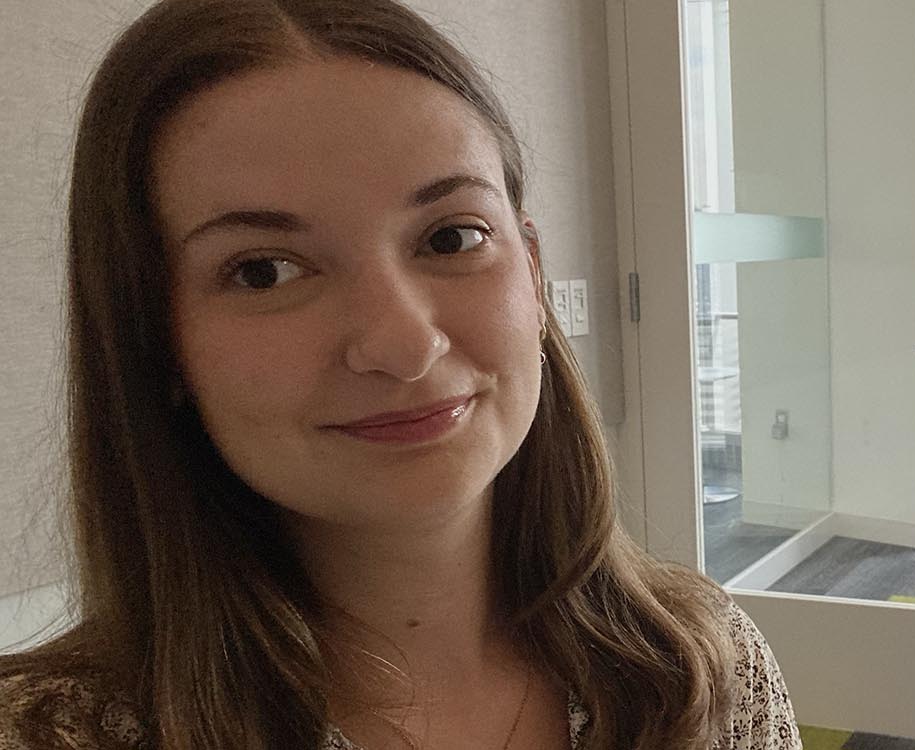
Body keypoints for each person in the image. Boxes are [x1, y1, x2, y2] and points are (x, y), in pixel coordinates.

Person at [0, 1, 800, 748]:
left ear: (532, 270)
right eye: (265, 271)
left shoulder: (706, 667)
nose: (402, 344)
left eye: (451, 238)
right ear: (153, 337)